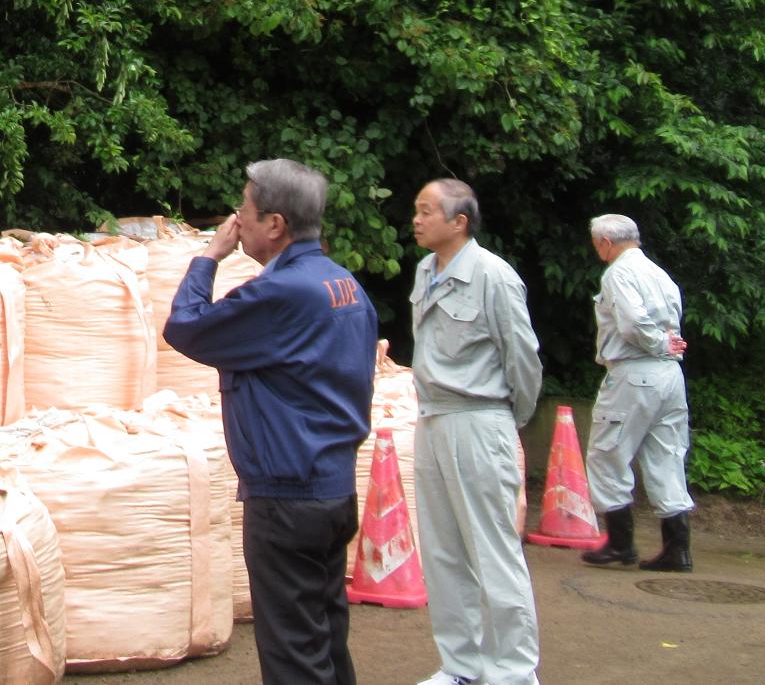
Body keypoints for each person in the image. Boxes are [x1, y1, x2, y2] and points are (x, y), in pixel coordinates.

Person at [163, 158, 378, 685]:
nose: (238, 221)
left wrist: (209, 257)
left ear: (275, 224)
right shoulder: (341, 283)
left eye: (246, 212)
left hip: (286, 497)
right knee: (324, 637)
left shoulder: (281, 294)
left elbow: (186, 328)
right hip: (331, 487)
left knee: (292, 656)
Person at [408, 178, 543, 685]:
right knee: (443, 552)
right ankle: (461, 667)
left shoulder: (493, 276)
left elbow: (523, 360)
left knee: (493, 551)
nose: (417, 219)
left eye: (427, 211)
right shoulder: (426, 271)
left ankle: (513, 671)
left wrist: (509, 423)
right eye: (416, 210)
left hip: (480, 419)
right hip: (433, 419)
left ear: (459, 221)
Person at [579, 213, 694, 572]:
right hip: (670, 376)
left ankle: (620, 543)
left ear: (605, 243)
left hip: (635, 372)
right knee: (666, 455)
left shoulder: (618, 274)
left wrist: (658, 343)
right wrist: (667, 345)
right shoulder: (659, 274)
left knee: (607, 453)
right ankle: (678, 549)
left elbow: (632, 324)